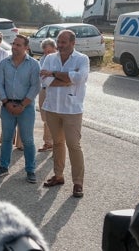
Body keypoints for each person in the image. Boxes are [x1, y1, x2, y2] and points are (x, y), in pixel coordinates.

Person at [39, 29, 90, 198]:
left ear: (72, 43)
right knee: (57, 143)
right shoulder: (50, 58)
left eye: (63, 42)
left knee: (74, 145)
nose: (60, 45)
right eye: (59, 42)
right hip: (52, 107)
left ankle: (78, 183)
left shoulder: (82, 59)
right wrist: (68, 80)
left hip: (72, 110)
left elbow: (80, 78)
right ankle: (58, 175)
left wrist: (54, 74)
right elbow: (44, 81)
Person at [0, 35, 41, 183]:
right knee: (6, 138)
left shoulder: (33, 64)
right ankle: (3, 166)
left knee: (27, 140)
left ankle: (30, 170)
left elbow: (35, 86)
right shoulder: (4, 63)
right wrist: (6, 103)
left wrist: (22, 105)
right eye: (14, 44)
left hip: (25, 107)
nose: (14, 47)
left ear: (26, 47)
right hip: (7, 105)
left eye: (18, 45)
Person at [37, 38, 57, 152]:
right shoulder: (42, 60)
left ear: (55, 49)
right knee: (45, 118)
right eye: (45, 51)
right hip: (44, 90)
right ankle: (48, 142)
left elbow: (54, 77)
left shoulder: (59, 60)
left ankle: (57, 145)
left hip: (55, 91)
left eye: (50, 51)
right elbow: (41, 76)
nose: (48, 53)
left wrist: (50, 75)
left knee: (56, 118)